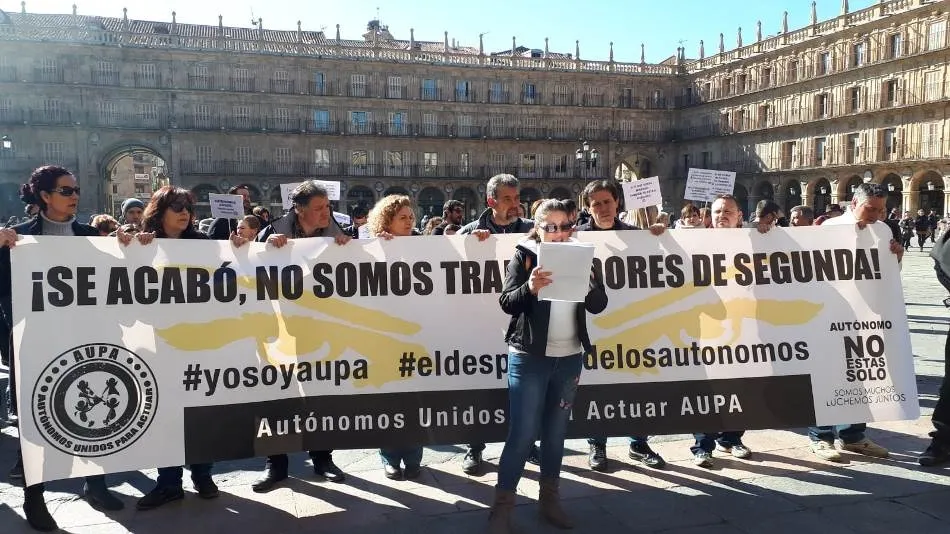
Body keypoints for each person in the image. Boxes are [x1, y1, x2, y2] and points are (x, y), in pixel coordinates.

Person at [0, 165, 125, 531]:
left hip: (87, 341)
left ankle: (96, 485)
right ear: (44, 196)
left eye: (76, 190)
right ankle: (34, 497)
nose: (75, 196)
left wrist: (134, 247)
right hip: (36, 343)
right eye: (66, 191)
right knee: (36, 423)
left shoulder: (93, 237)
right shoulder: (18, 239)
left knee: (96, 417)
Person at [488, 199, 607, 533]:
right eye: (550, 227)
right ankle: (502, 508)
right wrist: (530, 287)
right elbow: (507, 302)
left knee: (556, 434)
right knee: (523, 433)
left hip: (569, 358)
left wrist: (589, 283)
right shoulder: (524, 256)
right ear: (537, 228)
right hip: (529, 358)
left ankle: (549, 501)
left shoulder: (586, 256)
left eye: (564, 226)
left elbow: (599, 305)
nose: (558, 233)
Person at [117, 186, 240, 510]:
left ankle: (203, 475)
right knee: (166, 414)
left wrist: (239, 248)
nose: (184, 212)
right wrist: (130, 247)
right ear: (160, 212)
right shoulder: (143, 244)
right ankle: (169, 482)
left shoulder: (203, 245)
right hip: (158, 343)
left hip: (199, 341)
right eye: (176, 206)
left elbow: (228, 278)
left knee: (200, 412)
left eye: (187, 206)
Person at [251, 180, 350, 492]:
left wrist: (348, 247)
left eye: (327, 207)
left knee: (318, 394)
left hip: (316, 329)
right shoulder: (270, 232)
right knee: (275, 396)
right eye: (319, 208)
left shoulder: (335, 233)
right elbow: (248, 271)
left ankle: (323, 458)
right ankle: (276, 465)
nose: (326, 213)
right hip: (276, 329)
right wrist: (264, 249)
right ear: (299, 209)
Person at [575, 180, 666, 470]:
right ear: (588, 208)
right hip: (593, 324)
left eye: (607, 202)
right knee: (596, 386)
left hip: (633, 323)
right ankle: (597, 444)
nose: (603, 208)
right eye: (596, 204)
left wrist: (661, 237)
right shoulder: (576, 237)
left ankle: (638, 443)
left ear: (617, 203)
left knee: (636, 383)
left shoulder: (637, 235)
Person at [810, 183, 902, 462]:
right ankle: (821, 437)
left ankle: (853, 435)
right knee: (827, 375)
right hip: (830, 314)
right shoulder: (829, 228)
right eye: (870, 209)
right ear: (853, 204)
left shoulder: (884, 230)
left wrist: (896, 257)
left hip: (866, 316)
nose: (877, 215)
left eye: (881, 209)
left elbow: (888, 273)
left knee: (861, 374)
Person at [457, 173, 534, 475]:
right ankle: (474, 447)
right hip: (482, 322)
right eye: (507, 199)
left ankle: (527, 445)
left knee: (523, 388)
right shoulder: (468, 232)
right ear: (491, 201)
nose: (515, 204)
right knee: (480, 386)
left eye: (517, 198)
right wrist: (469, 246)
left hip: (522, 321)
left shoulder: (532, 230)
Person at [689, 194, 763, 468]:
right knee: (708, 388)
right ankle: (703, 445)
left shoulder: (753, 241)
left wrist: (770, 231)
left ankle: (732, 438)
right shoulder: (695, 242)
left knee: (742, 385)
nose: (722, 216)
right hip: (708, 327)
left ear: (739, 215)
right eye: (717, 211)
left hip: (743, 325)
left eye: (728, 211)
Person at [365, 195, 426, 479]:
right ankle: (389, 456)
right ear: (386, 220)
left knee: (414, 398)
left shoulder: (426, 246)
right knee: (388, 398)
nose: (409, 221)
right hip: (383, 335)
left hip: (417, 332)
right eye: (402, 217)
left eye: (411, 217)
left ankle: (414, 456)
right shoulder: (370, 248)